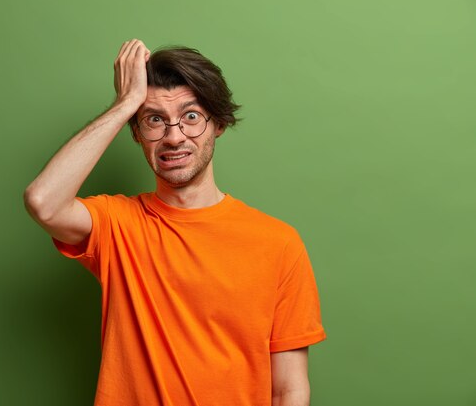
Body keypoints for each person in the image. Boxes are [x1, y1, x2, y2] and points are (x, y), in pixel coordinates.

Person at [24, 39, 326, 406]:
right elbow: (44, 201)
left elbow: (289, 389)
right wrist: (124, 105)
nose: (174, 136)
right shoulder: (118, 224)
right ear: (137, 133)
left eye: (191, 116)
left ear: (219, 124)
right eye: (154, 119)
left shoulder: (278, 243)